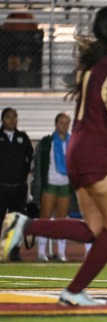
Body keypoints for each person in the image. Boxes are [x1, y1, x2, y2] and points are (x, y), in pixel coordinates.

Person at [0, 6, 107, 306]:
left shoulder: (89, 66)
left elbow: (99, 116)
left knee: (94, 229)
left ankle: (23, 224)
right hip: (98, 153)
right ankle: (74, 290)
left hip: (76, 150)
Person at [30, 112, 73, 262]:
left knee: (62, 221)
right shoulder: (47, 142)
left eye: (66, 123)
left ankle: (61, 252)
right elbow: (37, 164)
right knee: (45, 219)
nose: (64, 125)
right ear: (55, 124)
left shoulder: (73, 142)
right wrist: (36, 185)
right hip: (49, 184)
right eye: (61, 122)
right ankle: (41, 252)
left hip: (65, 185)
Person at [0, 107, 33, 262]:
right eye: (8, 116)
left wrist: (24, 175)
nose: (12, 120)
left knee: (16, 221)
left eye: (14, 116)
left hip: (18, 187)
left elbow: (30, 158)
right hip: (1, 187)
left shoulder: (23, 138)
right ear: (2, 119)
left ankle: (14, 252)